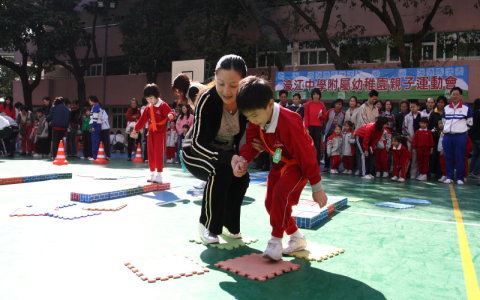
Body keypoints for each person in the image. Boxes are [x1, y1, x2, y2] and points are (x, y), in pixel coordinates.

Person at [233, 76, 327, 261]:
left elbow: (306, 155)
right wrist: (243, 159)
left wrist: (317, 187)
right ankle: (297, 237)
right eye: (248, 117)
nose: (252, 121)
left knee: (280, 195)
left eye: (255, 116)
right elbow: (253, 142)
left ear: (269, 104)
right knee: (270, 203)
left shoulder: (289, 121)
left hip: (299, 164)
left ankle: (275, 241)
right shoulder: (256, 119)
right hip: (280, 160)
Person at [181, 54, 250, 244]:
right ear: (215, 79)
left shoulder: (246, 101)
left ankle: (230, 225)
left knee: (242, 177)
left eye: (233, 85)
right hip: (195, 153)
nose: (226, 91)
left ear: (243, 83)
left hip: (228, 153)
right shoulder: (207, 99)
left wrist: (239, 159)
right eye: (221, 83)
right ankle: (207, 225)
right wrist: (229, 159)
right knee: (219, 171)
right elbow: (197, 143)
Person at [132, 83, 175, 183]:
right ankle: (152, 174)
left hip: (160, 133)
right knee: (150, 153)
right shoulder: (148, 107)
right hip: (150, 133)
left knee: (159, 153)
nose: (150, 101)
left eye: (151, 98)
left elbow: (171, 113)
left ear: (156, 96)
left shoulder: (163, 105)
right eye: (147, 99)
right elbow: (142, 120)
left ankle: (159, 175)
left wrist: (171, 115)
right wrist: (136, 129)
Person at [442, 87, 473, 184]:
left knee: (460, 157)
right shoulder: (446, 108)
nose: (454, 96)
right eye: (453, 94)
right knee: (448, 157)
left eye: (456, 94)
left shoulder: (466, 108)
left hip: (460, 136)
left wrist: (461, 130)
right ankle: (449, 177)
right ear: (450, 95)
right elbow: (444, 121)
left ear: (460, 96)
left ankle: (460, 178)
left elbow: (470, 123)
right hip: (447, 136)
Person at [303, 88, 327, 164]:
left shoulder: (322, 104)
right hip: (310, 127)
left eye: (317, 94)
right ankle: (309, 161)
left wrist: (321, 115)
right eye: (314, 94)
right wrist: (306, 127)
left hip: (318, 127)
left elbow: (325, 118)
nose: (316, 96)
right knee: (309, 145)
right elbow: (306, 116)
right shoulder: (308, 104)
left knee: (317, 145)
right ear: (312, 95)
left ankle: (317, 163)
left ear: (319, 95)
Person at [403, 100, 421, 179]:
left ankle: (413, 174)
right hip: (409, 140)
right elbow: (404, 129)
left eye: (413, 107)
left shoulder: (422, 116)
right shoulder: (407, 117)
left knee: (415, 157)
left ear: (418, 107)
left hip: (419, 140)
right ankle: (404, 173)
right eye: (410, 107)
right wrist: (408, 138)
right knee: (408, 156)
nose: (412, 108)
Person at [88, 95, 103, 161]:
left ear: (92, 100)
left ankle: (94, 156)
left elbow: (95, 117)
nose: (89, 102)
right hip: (96, 125)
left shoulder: (96, 106)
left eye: (89, 100)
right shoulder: (96, 106)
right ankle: (95, 155)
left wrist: (93, 127)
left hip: (95, 125)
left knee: (95, 141)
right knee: (95, 141)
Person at [469, 98, 480, 178]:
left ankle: (471, 171)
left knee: (475, 154)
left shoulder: (473, 113)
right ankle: (476, 171)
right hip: (478, 137)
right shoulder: (478, 113)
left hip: (474, 137)